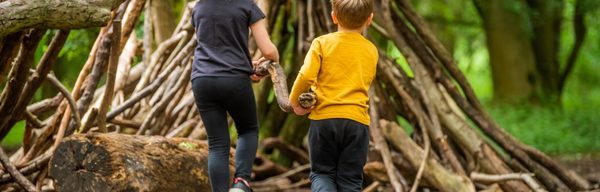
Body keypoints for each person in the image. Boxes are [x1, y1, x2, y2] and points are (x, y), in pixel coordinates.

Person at [288, 0, 377, 191]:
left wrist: (295, 101)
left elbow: (306, 75)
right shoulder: (371, 50)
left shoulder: (322, 43)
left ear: (333, 16)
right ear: (370, 19)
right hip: (357, 123)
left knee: (322, 174)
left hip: (324, 120)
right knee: (351, 180)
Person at [190, 0, 278, 191]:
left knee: (217, 143)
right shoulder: (246, 5)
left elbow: (216, 44)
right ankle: (241, 183)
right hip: (234, 79)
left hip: (202, 79)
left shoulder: (200, 7)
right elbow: (268, 50)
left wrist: (247, 64)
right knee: (248, 130)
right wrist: (272, 60)